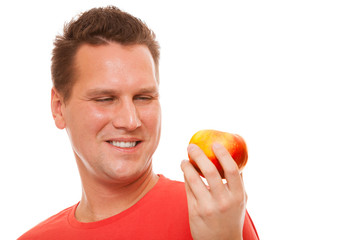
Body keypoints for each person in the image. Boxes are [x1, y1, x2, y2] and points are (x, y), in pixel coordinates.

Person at [18, 6, 259, 240]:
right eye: (105, 99)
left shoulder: (216, 215)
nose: (130, 120)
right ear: (59, 107)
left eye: (144, 97)